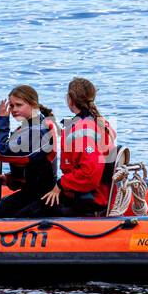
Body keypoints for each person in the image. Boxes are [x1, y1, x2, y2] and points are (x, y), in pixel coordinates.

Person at [42, 77, 117, 217]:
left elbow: (89, 172)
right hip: (96, 194)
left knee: (32, 209)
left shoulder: (83, 130)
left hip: (89, 199)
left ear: (70, 99)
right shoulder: (99, 122)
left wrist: (60, 184)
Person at [0, 85, 59, 219]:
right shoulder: (29, 127)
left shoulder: (39, 130)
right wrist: (11, 178)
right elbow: (30, 164)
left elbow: (2, 152)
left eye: (18, 105)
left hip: (42, 194)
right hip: (31, 190)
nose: (13, 110)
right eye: (12, 106)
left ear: (33, 104)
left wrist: (2, 120)